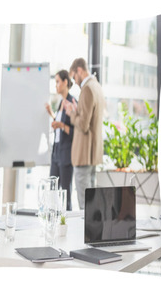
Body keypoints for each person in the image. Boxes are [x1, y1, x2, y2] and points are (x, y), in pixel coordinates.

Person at [63, 58, 104, 210]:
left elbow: (83, 125)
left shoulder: (86, 89)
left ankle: (87, 233)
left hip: (83, 154)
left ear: (79, 70)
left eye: (74, 77)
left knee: (84, 206)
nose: (74, 80)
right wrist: (77, 110)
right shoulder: (96, 86)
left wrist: (71, 113)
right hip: (93, 154)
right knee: (92, 203)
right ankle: (93, 233)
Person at [45, 70, 76, 211]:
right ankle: (52, 218)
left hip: (66, 154)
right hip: (56, 152)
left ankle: (67, 223)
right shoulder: (60, 103)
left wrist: (61, 126)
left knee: (65, 192)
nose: (56, 85)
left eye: (57, 81)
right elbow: (59, 123)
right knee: (52, 190)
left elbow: (75, 131)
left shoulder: (72, 102)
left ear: (65, 82)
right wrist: (52, 114)